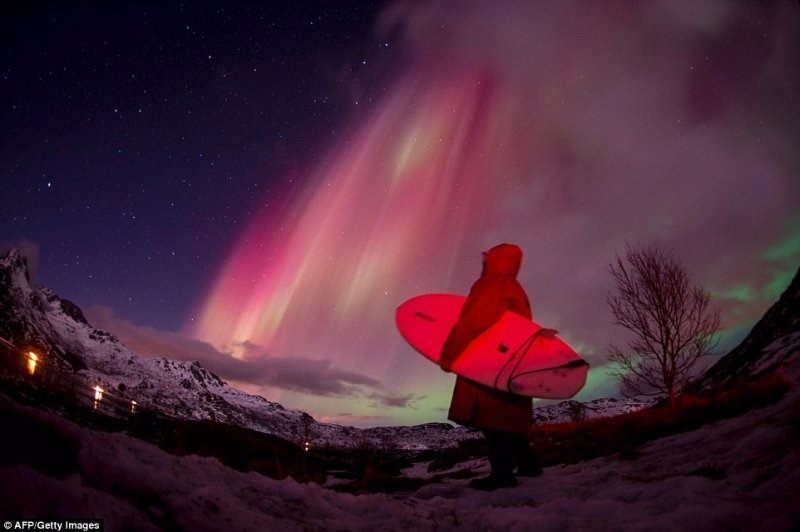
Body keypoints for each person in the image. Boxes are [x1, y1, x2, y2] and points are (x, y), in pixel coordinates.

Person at [441, 243, 542, 490]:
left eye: (486, 259)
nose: (482, 263)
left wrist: (449, 355)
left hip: (487, 364)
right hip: (511, 362)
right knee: (508, 417)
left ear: (495, 261)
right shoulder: (515, 287)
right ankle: (528, 464)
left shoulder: (491, 285)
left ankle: (502, 475)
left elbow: (472, 324)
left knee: (491, 419)